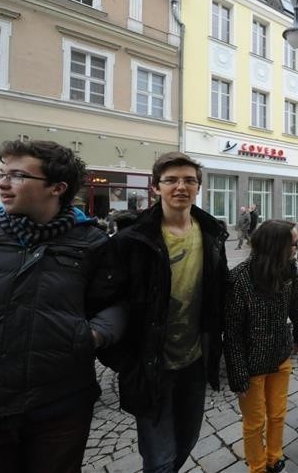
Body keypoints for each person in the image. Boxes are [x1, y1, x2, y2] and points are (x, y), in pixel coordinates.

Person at [0, 140, 121, 472]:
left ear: (57, 187)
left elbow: (117, 304)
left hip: (60, 408)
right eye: (2, 173)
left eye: (17, 176)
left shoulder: (91, 243)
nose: (1, 183)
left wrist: (92, 335)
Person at [97, 152, 229, 472]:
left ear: (199, 187)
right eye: (171, 180)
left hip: (194, 362)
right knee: (160, 459)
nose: (180, 187)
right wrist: (126, 362)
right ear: (156, 187)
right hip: (152, 366)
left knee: (187, 442)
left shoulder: (212, 234)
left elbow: (220, 292)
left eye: (189, 180)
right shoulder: (133, 240)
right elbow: (106, 300)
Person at [225, 220, 298, 473]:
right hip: (252, 365)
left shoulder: (289, 270)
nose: (297, 247)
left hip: (280, 356)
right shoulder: (239, 279)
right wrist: (238, 373)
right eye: (293, 244)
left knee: (278, 414)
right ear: (276, 246)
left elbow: (296, 304)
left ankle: (274, 458)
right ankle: (258, 467)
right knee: (254, 423)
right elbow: (231, 332)